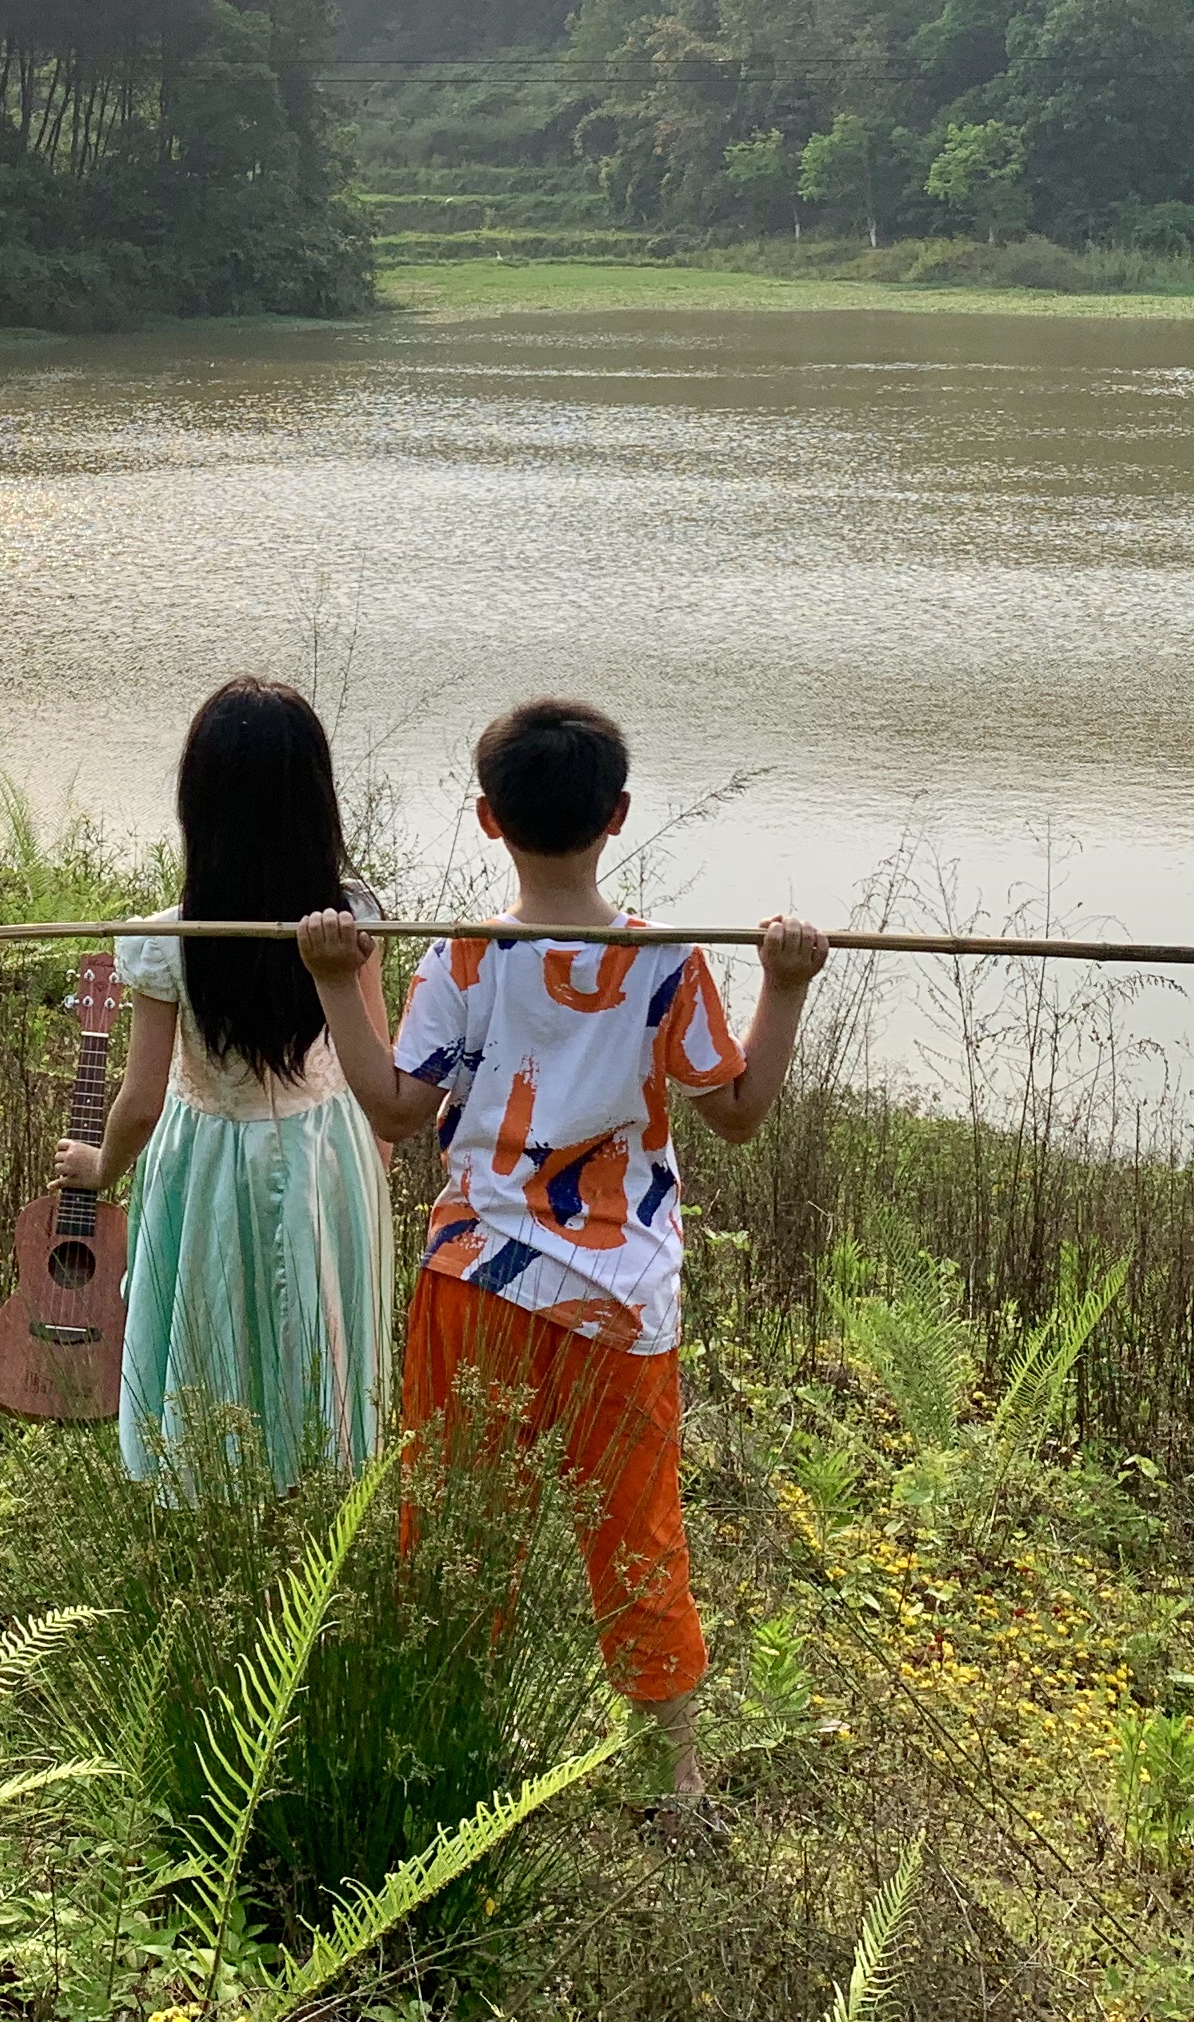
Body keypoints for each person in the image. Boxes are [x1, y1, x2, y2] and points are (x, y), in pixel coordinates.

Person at [298, 695, 825, 1805]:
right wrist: (785, 986)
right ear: (619, 814)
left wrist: (338, 979)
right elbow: (737, 1111)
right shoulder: (668, 960)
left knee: (451, 1518)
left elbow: (395, 1110)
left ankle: (445, 1739)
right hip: (622, 1300)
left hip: (477, 1281)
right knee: (636, 1529)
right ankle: (672, 1778)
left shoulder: (468, 955)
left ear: (487, 819)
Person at [56, 676, 398, 1493]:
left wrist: (99, 1168)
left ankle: (208, 1483)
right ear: (317, 801)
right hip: (329, 1151)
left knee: (213, 1319)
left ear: (198, 806)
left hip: (205, 1157)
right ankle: (317, 1479)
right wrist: (372, 1162)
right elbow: (376, 1063)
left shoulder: (166, 940)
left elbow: (140, 1101)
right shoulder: (354, 918)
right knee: (318, 1322)